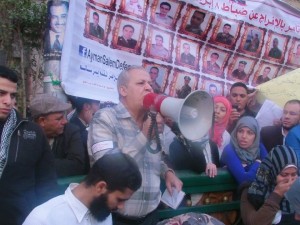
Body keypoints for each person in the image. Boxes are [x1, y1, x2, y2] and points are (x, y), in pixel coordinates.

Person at [88, 66, 182, 225]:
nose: (148, 87)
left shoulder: (152, 119)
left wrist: (167, 172)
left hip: (151, 215)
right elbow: (107, 167)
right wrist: (144, 135)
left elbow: (155, 157)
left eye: (150, 84)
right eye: (141, 83)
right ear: (123, 90)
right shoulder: (105, 118)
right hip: (117, 217)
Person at [0, 66, 57, 225]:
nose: (8, 101)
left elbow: (47, 184)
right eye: (1, 93)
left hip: (21, 219)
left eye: (12, 95)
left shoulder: (33, 132)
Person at [23, 153, 142, 225]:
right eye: (120, 199)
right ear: (101, 187)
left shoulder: (102, 211)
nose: (121, 207)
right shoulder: (44, 219)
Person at [30, 94, 86, 177]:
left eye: (64, 116)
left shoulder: (71, 131)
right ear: (42, 121)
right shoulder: (25, 134)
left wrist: (38, 164)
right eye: (59, 119)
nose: (65, 122)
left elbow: (78, 165)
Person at [242, 145, 299, 225]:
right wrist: (276, 195)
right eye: (284, 175)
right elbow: (254, 222)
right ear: (272, 173)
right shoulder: (253, 191)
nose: (289, 180)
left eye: (293, 175)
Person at [221, 116, 268, 185]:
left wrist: (249, 170)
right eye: (240, 131)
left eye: (250, 133)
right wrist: (258, 163)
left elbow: (270, 170)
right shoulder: (229, 150)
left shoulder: (259, 147)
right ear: (235, 132)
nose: (244, 136)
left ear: (256, 136)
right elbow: (244, 180)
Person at [69, 96, 100, 173]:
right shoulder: (76, 130)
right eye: (97, 103)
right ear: (86, 106)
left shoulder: (80, 124)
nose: (99, 108)